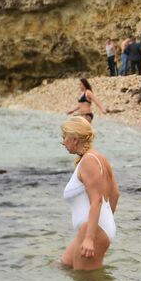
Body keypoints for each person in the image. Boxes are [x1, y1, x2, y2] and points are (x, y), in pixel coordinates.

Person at [58, 116, 118, 270]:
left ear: (75, 139)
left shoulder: (89, 161)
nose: (62, 142)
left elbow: (96, 200)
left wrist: (91, 238)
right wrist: (106, 222)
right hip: (97, 228)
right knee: (63, 266)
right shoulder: (98, 157)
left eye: (64, 137)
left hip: (93, 231)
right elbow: (115, 194)